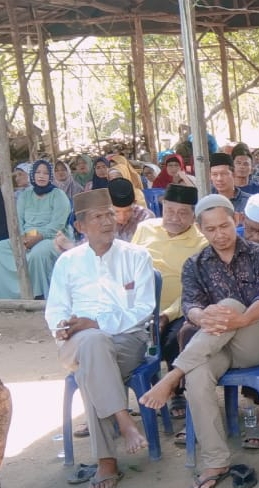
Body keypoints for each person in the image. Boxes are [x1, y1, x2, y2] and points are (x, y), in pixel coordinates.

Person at [139, 194, 259, 486]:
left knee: (229, 305)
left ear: (237, 221)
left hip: (256, 342)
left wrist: (238, 318)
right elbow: (190, 305)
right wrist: (201, 317)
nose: (220, 234)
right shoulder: (194, 264)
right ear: (201, 230)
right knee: (198, 375)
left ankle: (172, 376)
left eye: (225, 226)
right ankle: (216, 461)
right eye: (211, 229)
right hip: (216, 345)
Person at [45, 188, 157, 488]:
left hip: (126, 341)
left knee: (91, 363)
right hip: (75, 343)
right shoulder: (68, 262)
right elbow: (55, 309)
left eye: (110, 214)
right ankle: (125, 422)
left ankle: (106, 461)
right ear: (80, 226)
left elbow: (144, 308)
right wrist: (64, 327)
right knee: (91, 346)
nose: (107, 221)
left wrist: (95, 323)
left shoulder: (137, 256)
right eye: (98, 217)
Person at [130, 184, 207, 422]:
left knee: (180, 335)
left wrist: (166, 314)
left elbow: (194, 287)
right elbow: (128, 268)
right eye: (169, 210)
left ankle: (177, 391)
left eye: (182, 212)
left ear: (193, 216)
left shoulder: (202, 242)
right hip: (138, 307)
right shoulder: (144, 229)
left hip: (179, 307)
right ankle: (111, 405)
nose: (174, 217)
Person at [0, 160, 71, 298]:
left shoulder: (58, 195)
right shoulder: (25, 195)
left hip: (52, 237)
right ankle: (7, 296)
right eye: (38, 172)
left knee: (37, 254)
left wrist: (37, 237)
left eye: (45, 173)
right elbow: (19, 221)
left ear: (50, 176)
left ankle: (37, 295)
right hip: (26, 236)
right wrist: (23, 238)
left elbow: (57, 225)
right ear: (32, 175)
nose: (41, 176)